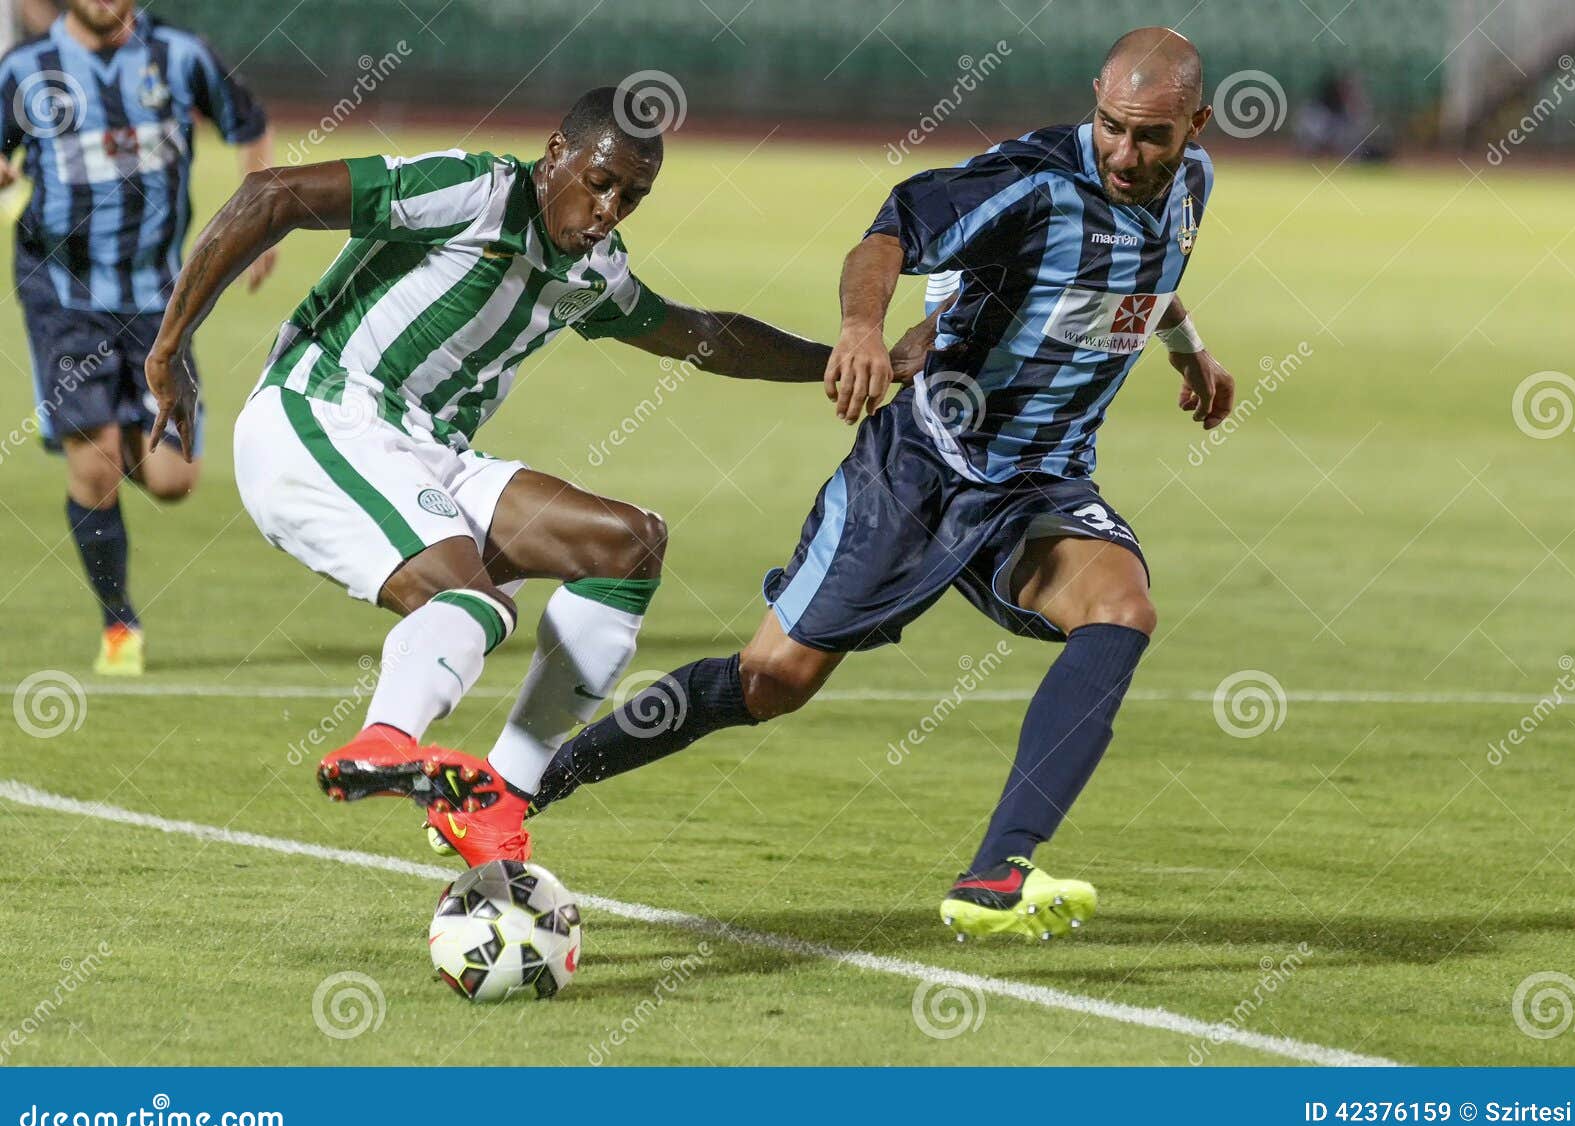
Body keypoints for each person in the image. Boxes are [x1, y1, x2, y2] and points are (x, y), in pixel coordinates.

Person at [514, 28, 1239, 941]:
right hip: (921, 467)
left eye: (1152, 139)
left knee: (1122, 609)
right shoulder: (1034, 182)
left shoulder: (1193, 188)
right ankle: (533, 780)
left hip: (1038, 484)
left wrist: (1190, 350)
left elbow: (1148, 272)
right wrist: (862, 328)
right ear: (1092, 99)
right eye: (1110, 127)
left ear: (1196, 128)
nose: (1126, 154)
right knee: (771, 681)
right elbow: (892, 230)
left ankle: (996, 871)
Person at [144, 86, 936, 866]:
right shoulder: (473, 192)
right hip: (319, 417)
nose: (609, 210)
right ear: (556, 155)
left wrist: (844, 356)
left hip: (428, 448)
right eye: (600, 181)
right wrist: (172, 342)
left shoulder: (596, 274)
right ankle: (382, 743)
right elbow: (271, 192)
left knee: (627, 545)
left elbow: (705, 336)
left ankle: (499, 802)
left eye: (631, 197)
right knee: (467, 599)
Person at [0, 0, 274, 675]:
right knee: (94, 465)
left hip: (161, 300)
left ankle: (109, 424)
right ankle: (119, 623)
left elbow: (251, 123)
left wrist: (260, 222)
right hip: (64, 295)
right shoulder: (25, 71)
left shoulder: (181, 56)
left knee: (173, 476)